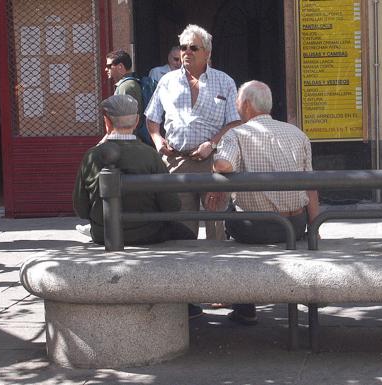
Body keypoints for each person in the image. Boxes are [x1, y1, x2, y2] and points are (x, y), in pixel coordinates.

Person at [212, 80, 320, 325]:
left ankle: (245, 307)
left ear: (247, 105)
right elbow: (311, 186)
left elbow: (224, 165)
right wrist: (314, 227)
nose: (237, 106)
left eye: (238, 101)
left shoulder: (237, 134)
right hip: (295, 223)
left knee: (230, 214)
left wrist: (214, 164)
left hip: (256, 227)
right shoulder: (298, 133)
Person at [144, 24, 241, 240]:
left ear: (207, 52)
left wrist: (212, 144)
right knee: (181, 230)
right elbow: (151, 118)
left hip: (213, 162)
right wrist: (158, 139)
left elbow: (234, 123)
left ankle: (218, 271)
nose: (186, 52)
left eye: (193, 48)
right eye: (183, 47)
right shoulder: (167, 81)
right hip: (177, 161)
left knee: (216, 230)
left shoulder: (224, 82)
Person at [73, 94, 196, 245]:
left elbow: (81, 208)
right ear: (137, 121)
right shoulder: (150, 155)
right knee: (186, 234)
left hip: (104, 234)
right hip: (147, 232)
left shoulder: (91, 156)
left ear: (107, 122)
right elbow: (172, 205)